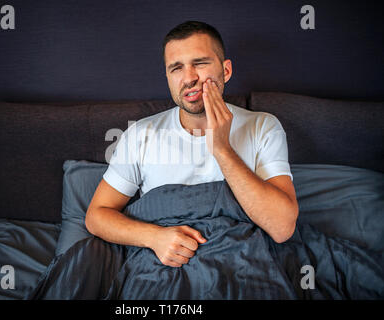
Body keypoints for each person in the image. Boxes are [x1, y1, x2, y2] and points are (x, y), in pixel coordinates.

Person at [86, 21, 299, 268]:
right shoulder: (140, 134)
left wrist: (222, 149)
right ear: (168, 77)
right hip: (165, 266)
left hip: (241, 264)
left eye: (200, 63)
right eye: (176, 68)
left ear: (226, 71)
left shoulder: (263, 127)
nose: (189, 78)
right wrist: (153, 237)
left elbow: (282, 228)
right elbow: (96, 216)